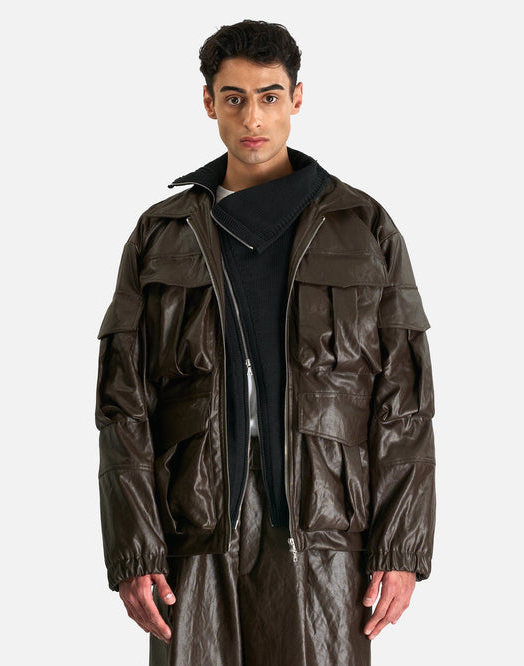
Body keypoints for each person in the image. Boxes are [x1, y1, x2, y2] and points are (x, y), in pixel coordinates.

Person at [95, 19, 436, 666]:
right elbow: (122, 403)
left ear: (296, 98)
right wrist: (135, 549)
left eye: (269, 96)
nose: (252, 117)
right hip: (191, 523)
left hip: (327, 522)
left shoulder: (363, 226)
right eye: (234, 98)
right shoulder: (160, 233)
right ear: (209, 103)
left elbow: (405, 399)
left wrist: (400, 545)